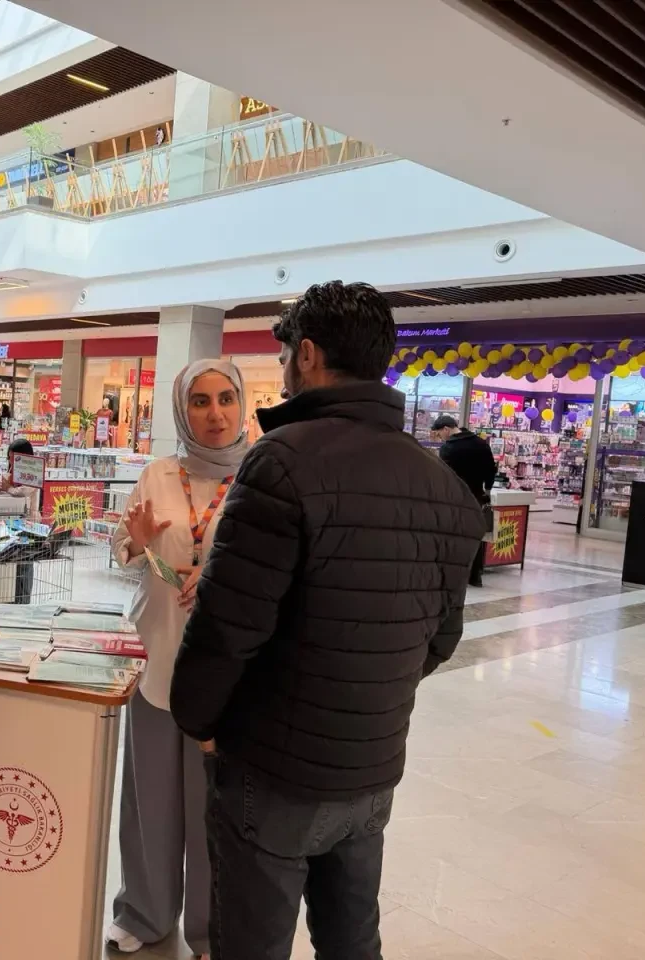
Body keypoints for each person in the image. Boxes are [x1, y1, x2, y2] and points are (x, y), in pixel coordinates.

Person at [171, 281, 485, 960]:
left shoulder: (282, 463)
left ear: (307, 355)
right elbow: (442, 636)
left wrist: (197, 718)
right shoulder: (444, 486)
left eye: (286, 355)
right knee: (353, 938)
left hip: (271, 771)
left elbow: (228, 627)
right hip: (372, 764)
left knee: (252, 941)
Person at [106, 360, 250, 960]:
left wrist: (220, 578)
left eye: (225, 399)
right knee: (150, 800)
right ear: (181, 409)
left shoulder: (260, 476)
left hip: (227, 673)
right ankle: (145, 910)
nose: (214, 414)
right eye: (199, 401)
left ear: (242, 404)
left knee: (214, 805)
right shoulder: (158, 474)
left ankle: (211, 929)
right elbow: (122, 548)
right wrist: (137, 542)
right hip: (159, 656)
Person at [434, 414, 497, 587]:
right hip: (476, 495)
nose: (440, 437)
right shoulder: (481, 443)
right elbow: (491, 470)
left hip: (454, 497)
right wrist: (487, 490)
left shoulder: (448, 448)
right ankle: (475, 575)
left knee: (453, 535)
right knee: (476, 534)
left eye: (439, 434)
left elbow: (445, 475)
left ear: (446, 429)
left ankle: (454, 573)